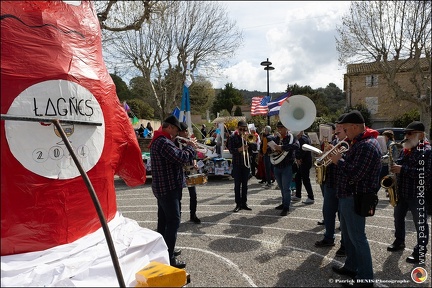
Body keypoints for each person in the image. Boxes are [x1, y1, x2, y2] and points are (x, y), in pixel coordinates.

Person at [329, 110, 382, 286]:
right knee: (349, 236)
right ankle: (351, 266)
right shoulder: (358, 143)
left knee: (358, 238)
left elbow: (355, 174)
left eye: (345, 128)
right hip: (347, 196)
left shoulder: (367, 145)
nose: (344, 132)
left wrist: (338, 160)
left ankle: (366, 278)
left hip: (355, 196)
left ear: (354, 127)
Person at [149, 115, 196, 269]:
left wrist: (181, 143)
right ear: (168, 127)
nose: (176, 133)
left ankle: (163, 250)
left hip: (165, 188)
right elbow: (181, 158)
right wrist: (191, 147)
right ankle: (168, 258)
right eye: (175, 130)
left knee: (163, 221)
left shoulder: (163, 140)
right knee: (173, 221)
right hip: (168, 189)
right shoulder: (162, 142)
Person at [387, 121, 430, 264]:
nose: (406, 136)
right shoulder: (406, 149)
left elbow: (426, 174)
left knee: (420, 223)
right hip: (402, 191)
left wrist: (402, 169)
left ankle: (420, 252)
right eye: (406, 133)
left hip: (417, 193)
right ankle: (399, 241)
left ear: (421, 135)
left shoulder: (427, 151)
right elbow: (398, 164)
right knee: (398, 218)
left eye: (410, 133)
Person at [314, 115, 346, 257]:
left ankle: (345, 244)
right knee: (328, 212)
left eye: (340, 127)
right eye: (337, 126)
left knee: (343, 216)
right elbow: (328, 160)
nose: (337, 129)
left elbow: (346, 164)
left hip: (342, 184)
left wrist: (336, 155)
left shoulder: (348, 144)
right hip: (330, 182)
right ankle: (328, 237)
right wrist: (324, 155)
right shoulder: (334, 141)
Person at [272, 121, 299, 216]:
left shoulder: (291, 137)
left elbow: (296, 146)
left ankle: (286, 207)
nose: (280, 130)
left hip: (287, 166)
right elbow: (269, 149)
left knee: (286, 188)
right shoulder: (276, 138)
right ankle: (284, 203)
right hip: (277, 165)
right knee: (282, 187)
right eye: (278, 128)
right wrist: (272, 148)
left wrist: (282, 147)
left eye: (281, 128)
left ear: (286, 128)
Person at [178, 122, 202, 224]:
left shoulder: (189, 141)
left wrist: (195, 163)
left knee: (193, 194)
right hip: (180, 171)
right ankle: (177, 216)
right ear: (181, 132)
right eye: (185, 131)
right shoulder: (176, 142)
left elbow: (194, 155)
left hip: (190, 170)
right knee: (178, 196)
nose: (187, 132)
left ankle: (193, 214)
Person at [228, 120, 252, 212]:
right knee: (237, 185)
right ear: (238, 128)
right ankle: (238, 204)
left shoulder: (248, 136)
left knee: (245, 185)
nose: (242, 131)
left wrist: (249, 144)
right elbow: (231, 150)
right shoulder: (232, 137)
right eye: (241, 129)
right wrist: (240, 149)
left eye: (244, 129)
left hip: (246, 164)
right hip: (237, 164)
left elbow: (253, 149)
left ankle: (244, 203)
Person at [292, 130, 315, 204]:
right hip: (305, 161)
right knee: (298, 177)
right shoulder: (304, 138)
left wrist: (298, 158)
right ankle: (298, 195)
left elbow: (302, 150)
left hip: (304, 162)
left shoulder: (303, 139)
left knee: (305, 179)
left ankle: (311, 197)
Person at [379, 130, 399, 198]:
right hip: (384, 164)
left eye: (384, 136)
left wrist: (381, 158)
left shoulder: (391, 144)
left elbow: (389, 155)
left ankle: (392, 194)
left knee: (384, 179)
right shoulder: (384, 143)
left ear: (387, 137)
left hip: (389, 165)